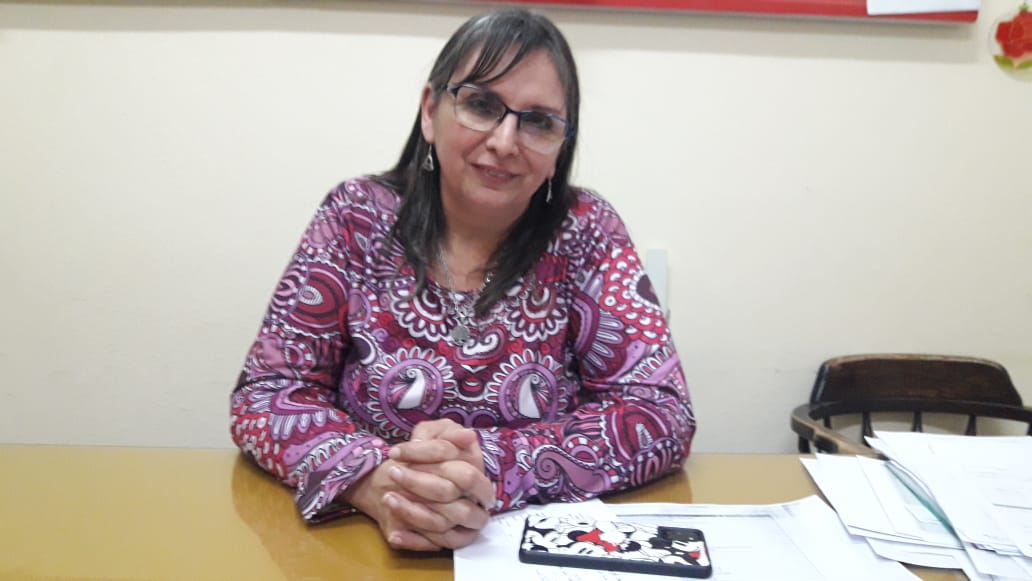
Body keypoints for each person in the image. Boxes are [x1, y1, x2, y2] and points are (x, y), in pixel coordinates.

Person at [230, 8, 696, 553]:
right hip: (362, 540)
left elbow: (660, 414)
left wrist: (490, 466)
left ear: (560, 146)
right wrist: (376, 480)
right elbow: (267, 394)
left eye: (539, 122)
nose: (505, 140)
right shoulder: (355, 216)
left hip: (526, 549)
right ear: (431, 111)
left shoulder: (586, 230)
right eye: (481, 105)